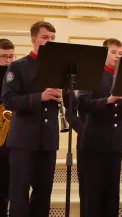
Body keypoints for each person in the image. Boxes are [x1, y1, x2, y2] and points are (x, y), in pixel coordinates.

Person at [1, 21, 77, 217]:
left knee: (43, 193)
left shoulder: (61, 69)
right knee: (19, 193)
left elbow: (71, 102)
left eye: (52, 38)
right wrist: (39, 97)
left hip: (48, 139)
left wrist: (68, 88)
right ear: (34, 40)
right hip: (23, 140)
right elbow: (8, 101)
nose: (50, 42)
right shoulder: (18, 66)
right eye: (45, 38)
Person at [76, 38, 122, 217]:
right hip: (93, 142)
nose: (117, 56)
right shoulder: (92, 73)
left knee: (112, 194)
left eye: (120, 53)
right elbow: (82, 104)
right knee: (93, 194)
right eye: (113, 52)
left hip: (115, 142)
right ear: (104, 54)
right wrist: (109, 100)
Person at [0, 39, 14, 217]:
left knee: (6, 185)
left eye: (11, 56)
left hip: (10, 134)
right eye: (4, 56)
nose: (8, 60)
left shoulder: (15, 73)